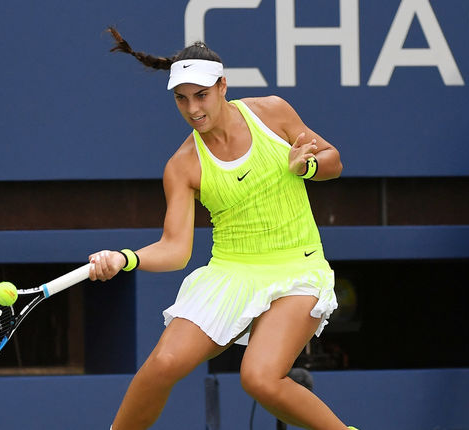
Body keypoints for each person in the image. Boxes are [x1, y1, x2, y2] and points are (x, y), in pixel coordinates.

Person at [88, 27, 356, 430]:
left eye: (201, 95)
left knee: (259, 378)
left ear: (222, 86)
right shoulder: (182, 165)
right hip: (230, 272)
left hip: (297, 268)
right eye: (181, 98)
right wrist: (125, 258)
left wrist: (310, 166)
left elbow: (333, 161)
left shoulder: (272, 113)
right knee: (163, 364)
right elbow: (176, 249)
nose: (193, 108)